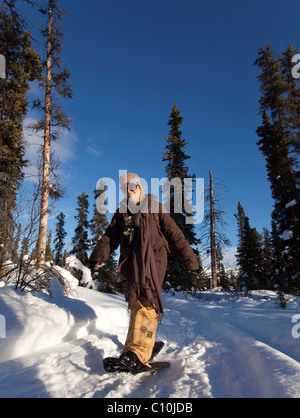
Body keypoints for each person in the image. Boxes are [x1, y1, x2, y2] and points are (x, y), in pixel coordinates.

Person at [89, 172, 199, 373]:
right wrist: (98, 257)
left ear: (140, 187)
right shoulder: (121, 213)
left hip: (153, 263)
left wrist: (190, 261)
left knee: (147, 303)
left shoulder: (155, 208)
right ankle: (136, 348)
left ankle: (136, 354)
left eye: (133, 186)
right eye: (125, 187)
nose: (130, 190)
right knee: (137, 306)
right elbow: (109, 239)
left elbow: (176, 236)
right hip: (131, 266)